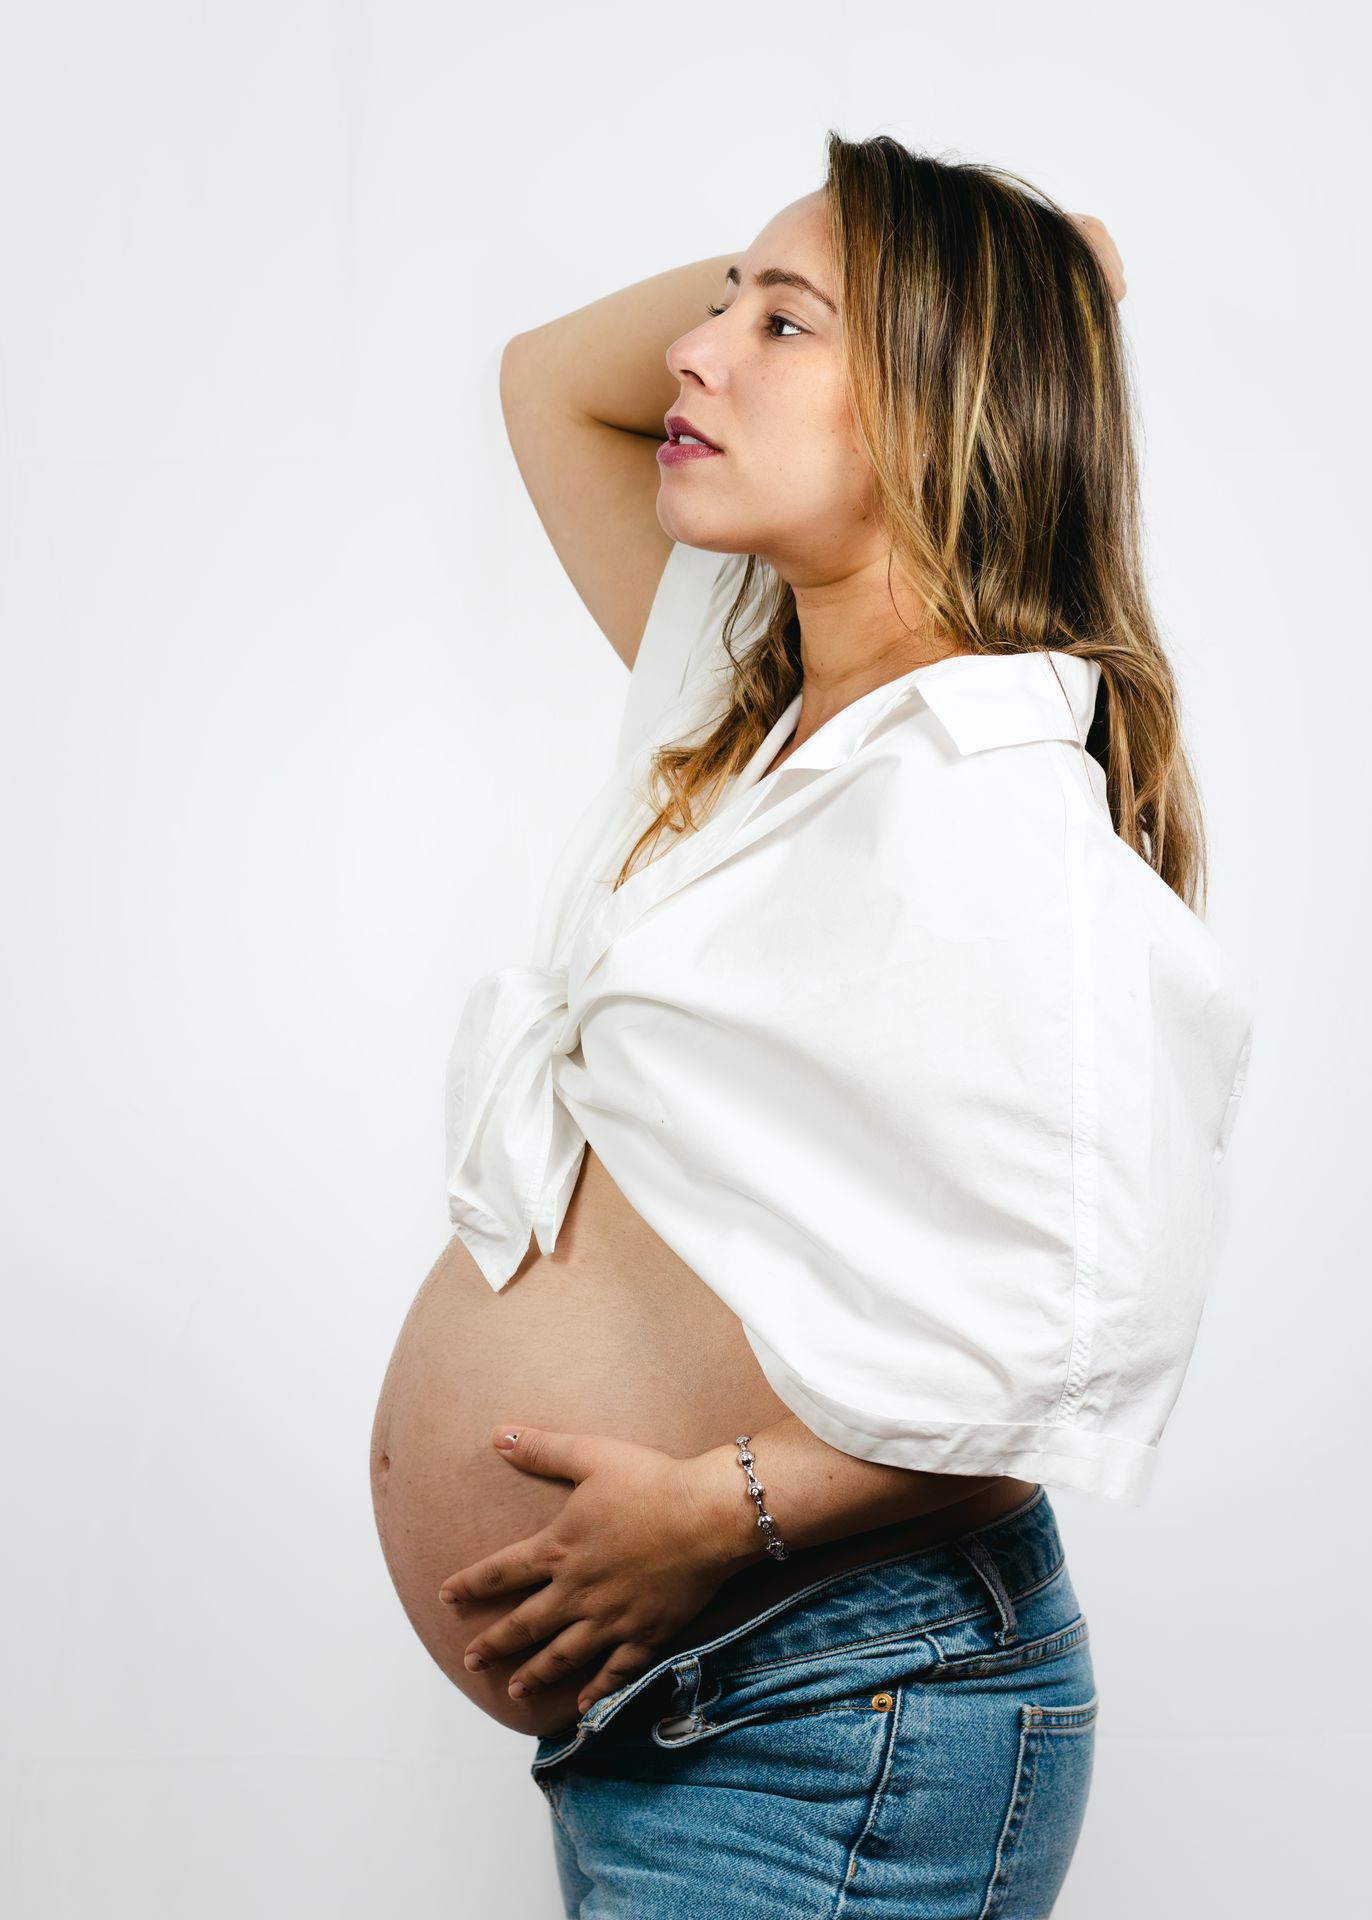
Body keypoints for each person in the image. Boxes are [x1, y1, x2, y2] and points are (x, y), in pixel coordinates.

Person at [373, 132, 1254, 1917]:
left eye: (783, 325)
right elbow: (552, 381)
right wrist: (982, 274)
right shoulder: (743, 692)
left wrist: (716, 1515)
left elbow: (1087, 1337)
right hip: (728, 1715)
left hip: (833, 1715)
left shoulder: (993, 808)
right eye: (723, 305)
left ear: (946, 403)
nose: (699, 350)